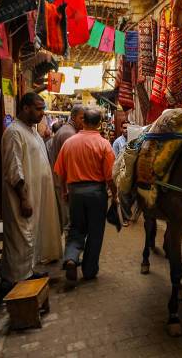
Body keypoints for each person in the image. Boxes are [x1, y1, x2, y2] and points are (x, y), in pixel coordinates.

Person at [0, 92, 62, 285]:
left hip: (35, 194)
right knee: (22, 237)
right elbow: (14, 167)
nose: (42, 113)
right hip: (22, 196)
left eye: (43, 109)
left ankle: (27, 274)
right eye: (38, 108)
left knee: (30, 234)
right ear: (25, 108)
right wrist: (24, 198)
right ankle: (17, 281)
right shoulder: (14, 132)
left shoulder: (32, 131)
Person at [54, 107, 116, 287]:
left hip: (75, 193)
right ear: (99, 123)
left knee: (76, 229)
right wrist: (116, 195)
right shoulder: (104, 145)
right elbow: (110, 177)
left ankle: (72, 258)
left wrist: (65, 191)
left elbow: (59, 172)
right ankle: (89, 270)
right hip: (97, 193)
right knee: (95, 232)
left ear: (84, 121)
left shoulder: (69, 143)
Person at [49, 105, 85, 232]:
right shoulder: (69, 134)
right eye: (81, 118)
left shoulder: (67, 131)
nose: (84, 121)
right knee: (69, 223)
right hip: (65, 185)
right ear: (74, 117)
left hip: (63, 183)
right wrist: (68, 189)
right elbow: (70, 165)